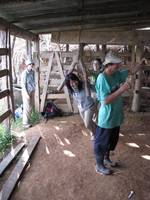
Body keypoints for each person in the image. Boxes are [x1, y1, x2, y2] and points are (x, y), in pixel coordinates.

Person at [94, 51, 131, 175]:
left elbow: (130, 72)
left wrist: (140, 64)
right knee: (101, 143)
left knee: (111, 141)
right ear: (108, 65)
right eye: (116, 64)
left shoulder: (115, 74)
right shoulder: (102, 78)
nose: (119, 66)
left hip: (115, 117)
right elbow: (105, 101)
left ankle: (106, 159)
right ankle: (99, 166)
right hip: (106, 118)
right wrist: (122, 89)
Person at [65, 71, 97, 140]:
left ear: (77, 79)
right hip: (81, 108)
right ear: (69, 84)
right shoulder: (71, 90)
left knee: (87, 123)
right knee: (89, 123)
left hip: (89, 106)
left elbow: (95, 88)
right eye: (71, 83)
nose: (74, 83)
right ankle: (94, 131)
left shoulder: (84, 84)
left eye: (74, 81)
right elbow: (76, 99)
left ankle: (96, 133)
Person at [21, 58, 35, 129]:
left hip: (32, 91)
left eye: (32, 64)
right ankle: (25, 123)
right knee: (26, 107)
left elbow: (33, 82)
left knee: (31, 107)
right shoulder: (24, 73)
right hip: (26, 92)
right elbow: (23, 85)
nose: (31, 65)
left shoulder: (32, 72)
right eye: (30, 64)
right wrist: (26, 94)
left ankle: (28, 121)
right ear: (27, 65)